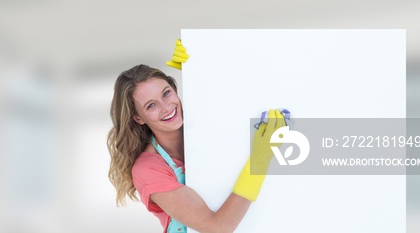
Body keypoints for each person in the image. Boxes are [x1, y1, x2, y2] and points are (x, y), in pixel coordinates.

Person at [107, 39, 286, 233]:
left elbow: (239, 93)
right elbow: (217, 228)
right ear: (138, 118)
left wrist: (200, 66)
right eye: (151, 105)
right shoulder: (148, 169)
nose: (166, 107)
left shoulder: (209, 127)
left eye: (166, 93)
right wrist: (259, 160)